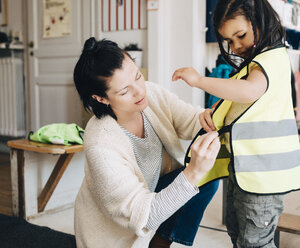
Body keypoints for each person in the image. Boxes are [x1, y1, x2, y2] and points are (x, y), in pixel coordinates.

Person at [172, 0, 300, 247]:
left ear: (260, 20)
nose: (236, 46)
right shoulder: (256, 62)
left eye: (240, 35)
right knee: (239, 234)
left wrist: (199, 81)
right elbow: (245, 104)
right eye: (229, 41)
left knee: (254, 241)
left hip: (263, 175)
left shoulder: (272, 58)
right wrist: (215, 111)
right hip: (246, 168)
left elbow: (249, 91)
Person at [73, 37, 221, 248]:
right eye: (125, 91)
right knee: (195, 176)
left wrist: (210, 117)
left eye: (138, 77)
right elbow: (144, 215)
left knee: (206, 178)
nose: (140, 91)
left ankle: (160, 244)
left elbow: (190, 119)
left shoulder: (150, 94)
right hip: (118, 234)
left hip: (152, 196)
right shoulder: (101, 145)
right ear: (101, 98)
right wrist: (193, 173)